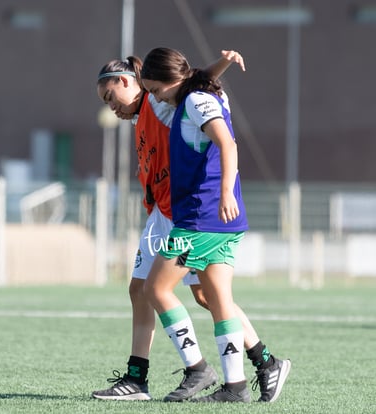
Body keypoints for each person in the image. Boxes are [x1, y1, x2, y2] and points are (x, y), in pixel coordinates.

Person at [92, 50, 290, 402]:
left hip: (186, 215)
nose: (112, 106)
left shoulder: (160, 104)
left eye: (111, 97)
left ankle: (234, 366)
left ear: (128, 82)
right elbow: (194, 80)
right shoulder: (153, 107)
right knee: (148, 290)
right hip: (168, 215)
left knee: (175, 292)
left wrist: (224, 190)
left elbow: (193, 88)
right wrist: (223, 63)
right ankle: (147, 378)